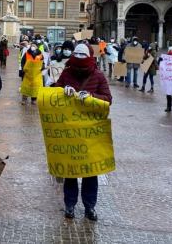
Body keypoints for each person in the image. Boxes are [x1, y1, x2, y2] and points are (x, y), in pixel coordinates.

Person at [55, 43, 112, 221]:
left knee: (90, 171)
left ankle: (90, 206)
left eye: (82, 54)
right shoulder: (66, 73)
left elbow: (108, 99)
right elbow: (54, 92)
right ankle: (70, 205)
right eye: (76, 54)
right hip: (70, 131)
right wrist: (62, 91)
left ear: (90, 57)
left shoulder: (98, 75)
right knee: (70, 171)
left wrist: (92, 97)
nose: (79, 58)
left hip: (90, 132)